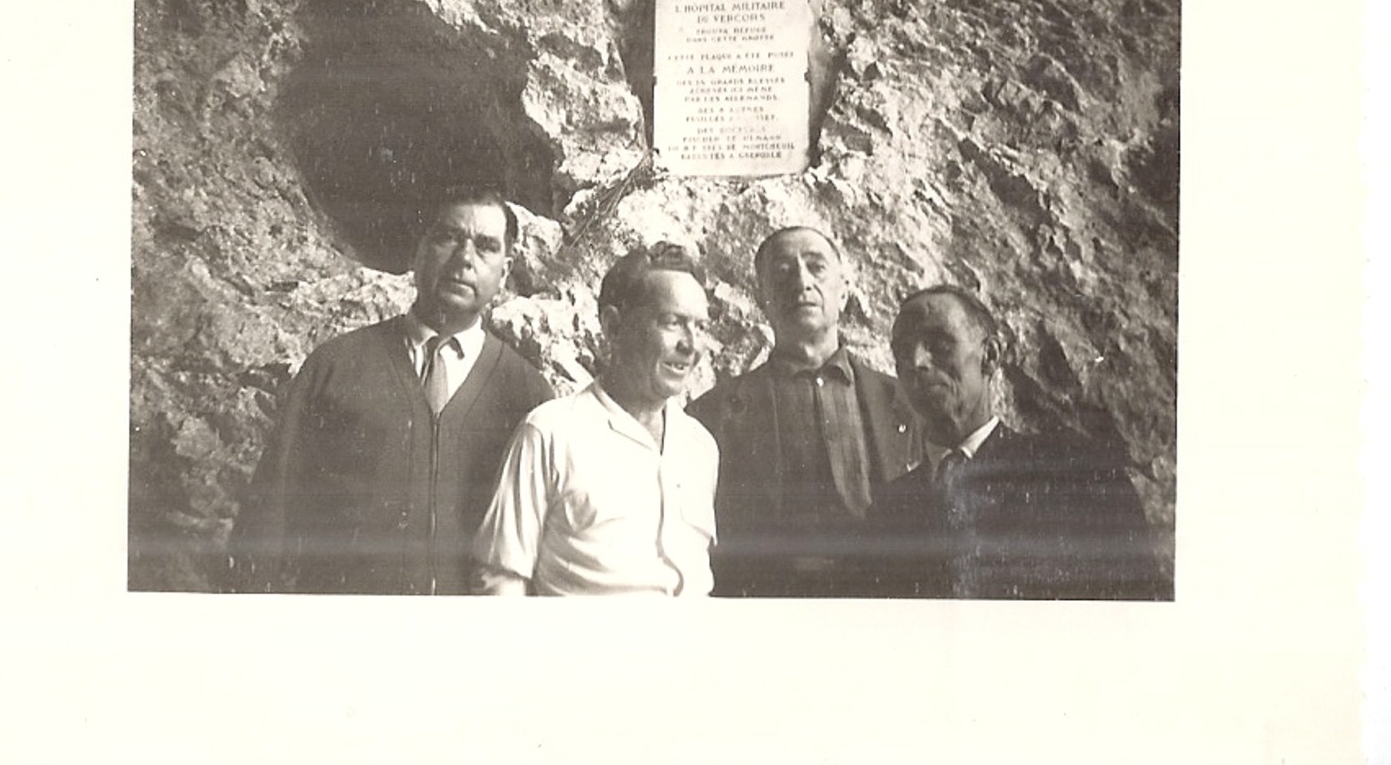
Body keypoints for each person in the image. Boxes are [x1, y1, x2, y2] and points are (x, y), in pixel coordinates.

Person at [228, 187, 554, 595]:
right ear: (418, 252)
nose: (464, 258)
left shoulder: (529, 396)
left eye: (485, 246)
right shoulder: (335, 367)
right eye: (448, 237)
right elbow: (268, 520)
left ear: (504, 273)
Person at [688, 226, 927, 597]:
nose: (802, 281)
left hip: (884, 605)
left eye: (816, 267)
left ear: (844, 290)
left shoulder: (908, 403)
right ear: (761, 297)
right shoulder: (713, 414)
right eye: (783, 272)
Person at [888, 285, 1166, 600]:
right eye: (902, 352)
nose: (916, 362)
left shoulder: (1079, 478)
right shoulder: (889, 510)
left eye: (939, 344)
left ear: (990, 356)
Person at [473, 242, 718, 596]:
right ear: (614, 326)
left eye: (699, 326)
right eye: (673, 323)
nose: (691, 345)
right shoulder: (549, 433)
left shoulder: (701, 447)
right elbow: (500, 582)